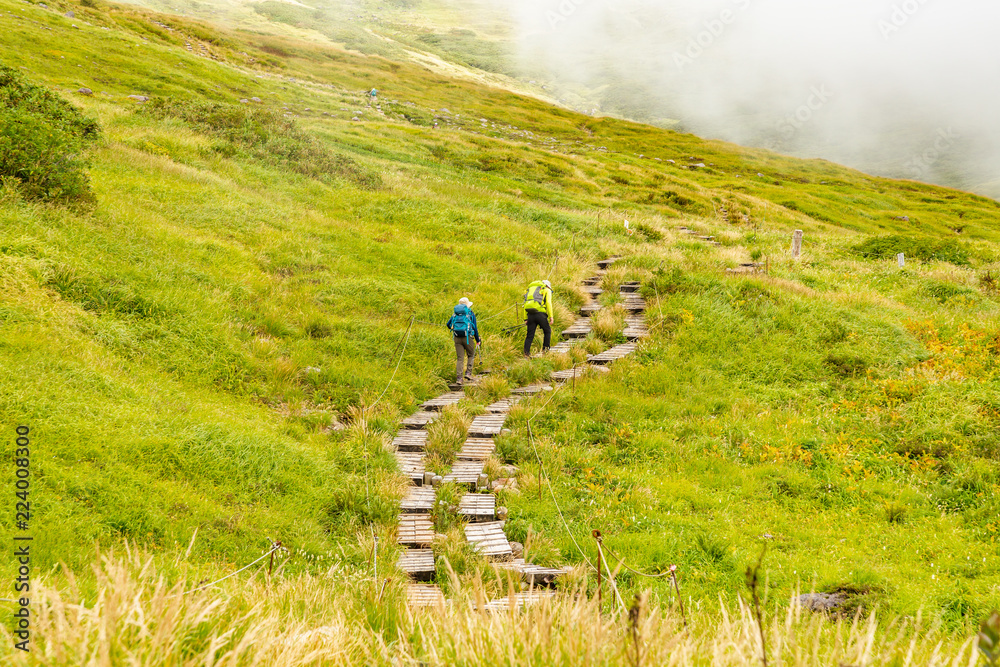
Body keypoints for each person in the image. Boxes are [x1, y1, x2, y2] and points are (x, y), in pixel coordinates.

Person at [447, 297, 481, 384]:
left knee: (460, 358)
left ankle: (459, 378)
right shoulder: (470, 313)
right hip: (468, 338)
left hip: (457, 337)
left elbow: (448, 324)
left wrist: (454, 328)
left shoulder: (455, 314)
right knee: (471, 354)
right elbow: (475, 328)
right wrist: (478, 339)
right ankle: (468, 373)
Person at [522, 279, 553, 357]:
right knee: (547, 331)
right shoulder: (546, 290)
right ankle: (545, 351)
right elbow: (548, 303)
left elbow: (525, 304)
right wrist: (551, 316)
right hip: (540, 314)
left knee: (530, 335)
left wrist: (525, 318)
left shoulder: (530, 291)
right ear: (548, 286)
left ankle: (526, 353)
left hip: (530, 315)